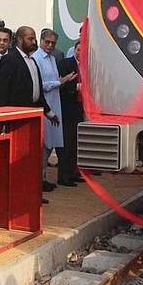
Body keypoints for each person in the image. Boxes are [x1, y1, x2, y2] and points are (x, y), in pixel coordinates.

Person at [0, 26, 59, 200]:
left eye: (33, 38)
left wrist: (49, 112)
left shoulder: (31, 61)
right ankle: (18, 197)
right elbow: (2, 92)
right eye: (30, 39)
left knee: (31, 160)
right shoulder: (10, 60)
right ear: (20, 39)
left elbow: (36, 90)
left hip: (33, 117)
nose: (33, 42)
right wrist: (4, 121)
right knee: (18, 161)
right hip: (17, 119)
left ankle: (31, 195)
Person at [33, 29, 77, 188]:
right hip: (44, 107)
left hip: (54, 105)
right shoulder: (36, 58)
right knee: (43, 145)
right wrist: (60, 82)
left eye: (53, 43)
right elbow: (39, 85)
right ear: (41, 41)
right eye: (47, 42)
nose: (50, 45)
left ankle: (43, 178)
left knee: (49, 145)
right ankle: (39, 179)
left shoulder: (52, 58)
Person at [57, 40, 85, 186]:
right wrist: (77, 86)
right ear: (74, 50)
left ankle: (74, 172)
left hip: (81, 108)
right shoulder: (65, 63)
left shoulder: (88, 65)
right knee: (66, 143)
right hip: (67, 108)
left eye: (83, 50)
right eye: (78, 50)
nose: (80, 53)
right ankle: (63, 175)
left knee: (76, 142)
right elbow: (60, 83)